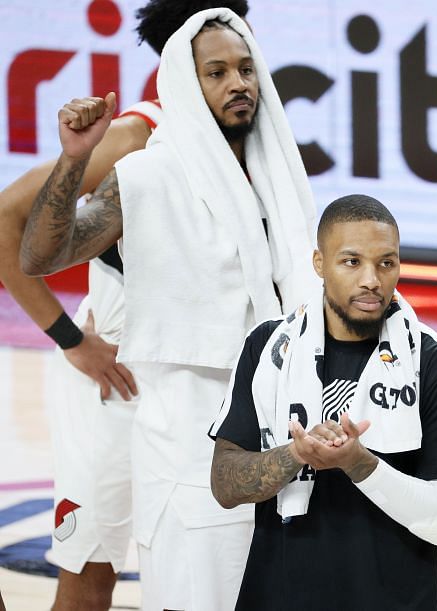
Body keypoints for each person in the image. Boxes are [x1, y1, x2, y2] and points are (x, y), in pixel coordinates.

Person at [19, 8, 317, 610]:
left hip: (257, 425)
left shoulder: (276, 171)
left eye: (245, 66)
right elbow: (40, 253)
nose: (238, 82)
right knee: (98, 574)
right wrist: (74, 160)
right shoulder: (144, 163)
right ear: (184, 76)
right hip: (150, 406)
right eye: (217, 71)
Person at [208, 194, 437, 610]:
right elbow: (225, 483)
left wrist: (359, 463)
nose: (372, 279)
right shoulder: (268, 348)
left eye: (386, 263)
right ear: (319, 263)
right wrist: (294, 455)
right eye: (352, 262)